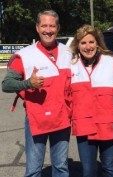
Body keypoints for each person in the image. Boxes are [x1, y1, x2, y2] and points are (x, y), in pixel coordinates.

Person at [2, 10, 72, 177]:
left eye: (52, 26)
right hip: (36, 119)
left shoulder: (68, 52)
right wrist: (28, 83)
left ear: (58, 28)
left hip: (62, 119)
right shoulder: (26, 55)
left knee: (61, 167)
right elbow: (6, 84)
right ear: (37, 28)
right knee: (33, 170)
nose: (48, 30)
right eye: (44, 26)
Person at [69, 24, 113, 177]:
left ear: (97, 43)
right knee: (89, 171)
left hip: (107, 125)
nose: (88, 46)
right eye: (83, 43)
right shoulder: (71, 65)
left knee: (109, 168)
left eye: (91, 42)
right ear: (77, 45)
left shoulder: (111, 62)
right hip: (84, 127)